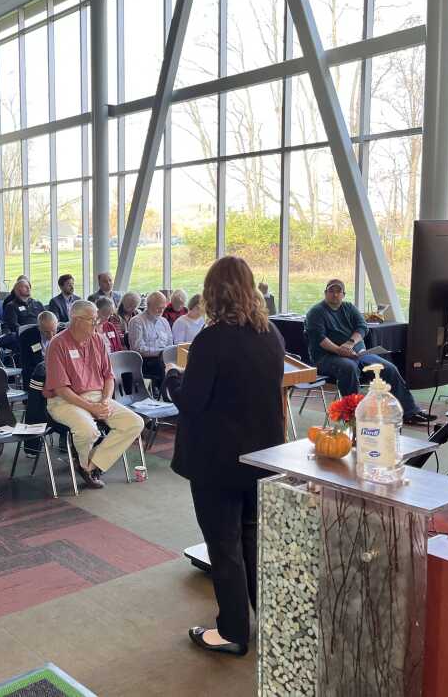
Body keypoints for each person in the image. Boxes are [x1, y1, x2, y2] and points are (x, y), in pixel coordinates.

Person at [163, 256, 285, 656]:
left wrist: (171, 377)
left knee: (224, 545)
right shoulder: (271, 336)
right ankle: (265, 618)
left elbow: (192, 403)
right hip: (261, 457)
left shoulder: (211, 340)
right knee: (250, 538)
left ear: (213, 292)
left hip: (217, 461)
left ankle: (233, 631)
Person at [44, 300, 145, 489]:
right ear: (76, 320)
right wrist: (92, 408)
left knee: (135, 423)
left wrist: (105, 401)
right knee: (88, 431)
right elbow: (61, 389)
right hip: (65, 401)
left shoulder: (98, 340)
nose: (96, 323)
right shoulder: (57, 344)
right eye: (92, 319)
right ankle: (84, 464)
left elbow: (108, 376)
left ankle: (90, 464)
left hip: (98, 397)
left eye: (96, 318)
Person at [305, 279, 433, 425]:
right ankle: (353, 416)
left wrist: (351, 343)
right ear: (325, 293)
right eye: (331, 291)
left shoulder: (349, 308)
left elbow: (362, 327)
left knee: (389, 368)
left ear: (343, 294)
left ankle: (409, 412)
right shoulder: (316, 312)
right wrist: (339, 350)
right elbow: (319, 338)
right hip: (327, 356)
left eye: (338, 291)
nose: (335, 294)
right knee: (349, 368)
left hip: (357, 354)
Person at [127, 291, 174, 390]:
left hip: (163, 358)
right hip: (145, 361)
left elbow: (170, 343)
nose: (161, 311)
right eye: (158, 307)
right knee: (165, 367)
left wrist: (167, 352)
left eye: (163, 308)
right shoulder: (137, 321)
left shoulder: (164, 322)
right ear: (148, 305)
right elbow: (138, 349)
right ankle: (168, 395)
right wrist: (162, 352)